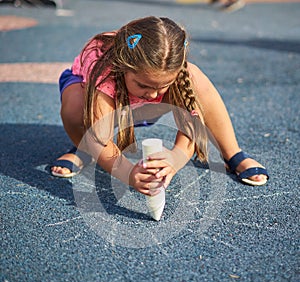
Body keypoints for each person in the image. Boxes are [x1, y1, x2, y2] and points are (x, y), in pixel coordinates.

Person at [51, 16, 269, 196]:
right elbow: (99, 136)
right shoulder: (105, 72)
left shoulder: (175, 74)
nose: (154, 93)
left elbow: (191, 126)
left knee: (198, 81)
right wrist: (128, 172)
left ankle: (233, 154)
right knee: (74, 105)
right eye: (144, 84)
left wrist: (176, 157)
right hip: (110, 102)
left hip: (145, 106)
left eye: (163, 85)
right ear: (124, 67)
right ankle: (81, 148)